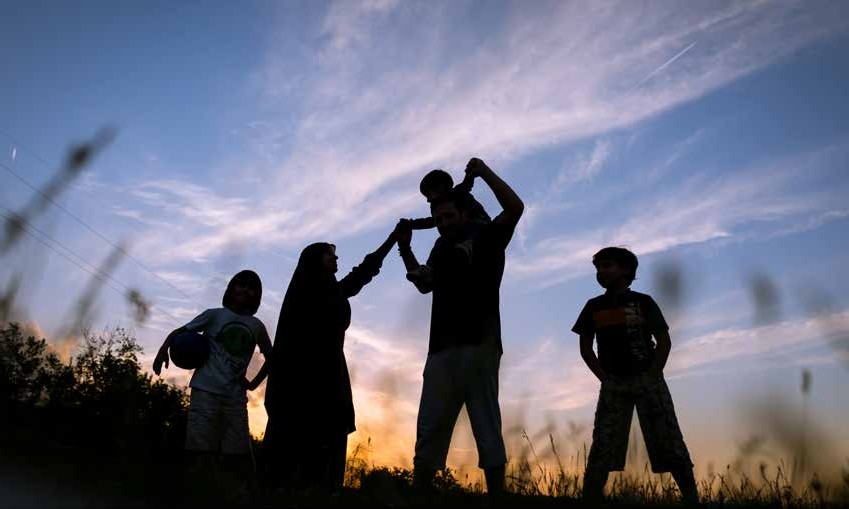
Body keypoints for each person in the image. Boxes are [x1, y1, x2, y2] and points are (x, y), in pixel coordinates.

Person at [396, 157, 523, 496]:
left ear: (464, 212)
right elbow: (425, 282)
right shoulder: (440, 246)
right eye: (436, 218)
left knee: (486, 425)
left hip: (480, 344)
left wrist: (483, 172)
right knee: (430, 427)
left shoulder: (487, 235)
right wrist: (406, 251)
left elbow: (515, 207)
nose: (441, 222)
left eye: (447, 215)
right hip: (441, 350)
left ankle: (497, 496)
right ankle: (420, 495)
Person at [260, 226, 399, 496]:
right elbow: (360, 275)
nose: (336, 259)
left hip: (331, 375)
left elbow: (363, 271)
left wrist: (393, 239)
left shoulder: (332, 290)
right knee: (303, 451)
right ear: (316, 261)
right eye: (330, 255)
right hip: (306, 381)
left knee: (327, 450)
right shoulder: (307, 293)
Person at [571, 247, 698, 504]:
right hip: (614, 383)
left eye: (607, 266)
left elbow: (664, 341)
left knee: (668, 439)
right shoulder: (594, 306)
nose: (601, 272)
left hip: (647, 380)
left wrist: (653, 375)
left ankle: (692, 498)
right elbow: (585, 348)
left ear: (626, 271)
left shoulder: (644, 302)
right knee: (603, 444)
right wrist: (604, 378)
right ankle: (590, 498)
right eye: (598, 268)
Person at [153, 269, 271, 506]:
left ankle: (242, 496)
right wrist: (163, 349)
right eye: (241, 284)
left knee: (238, 455)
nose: (245, 290)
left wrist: (253, 383)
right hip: (205, 391)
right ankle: (195, 495)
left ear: (257, 296)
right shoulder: (214, 316)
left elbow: (272, 357)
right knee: (199, 449)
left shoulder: (256, 326)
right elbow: (181, 331)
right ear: (230, 289)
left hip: (235, 399)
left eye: (251, 287)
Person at [400, 169, 491, 231]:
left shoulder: (458, 193)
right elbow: (431, 221)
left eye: (428, 194)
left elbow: (467, 184)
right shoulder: (439, 209)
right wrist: (411, 224)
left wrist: (470, 173)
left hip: (481, 226)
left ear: (440, 188)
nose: (428, 200)